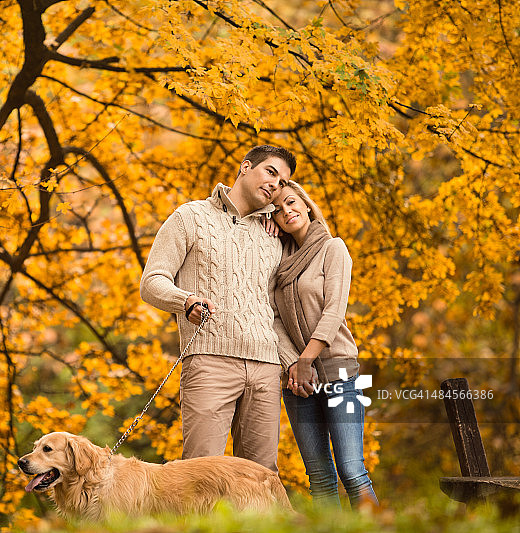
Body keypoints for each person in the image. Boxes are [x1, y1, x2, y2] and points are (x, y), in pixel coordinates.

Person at [139, 145, 296, 473]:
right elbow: (152, 282)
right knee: (199, 477)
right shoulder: (190, 216)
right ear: (245, 166)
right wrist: (186, 301)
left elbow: (277, 310)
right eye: (271, 172)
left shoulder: (274, 235)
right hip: (210, 362)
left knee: (261, 481)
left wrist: (292, 362)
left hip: (267, 368)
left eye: (283, 182)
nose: (275, 184)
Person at [270, 180, 378, 508]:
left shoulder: (334, 249)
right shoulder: (277, 262)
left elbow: (334, 311)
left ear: (306, 204)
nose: (286, 211)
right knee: (318, 474)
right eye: (276, 210)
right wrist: (293, 365)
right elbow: (273, 320)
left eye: (290, 203)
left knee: (351, 468)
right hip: (296, 381)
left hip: (340, 372)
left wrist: (306, 359)